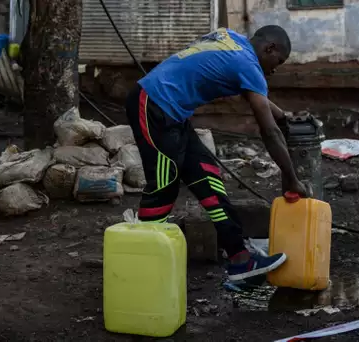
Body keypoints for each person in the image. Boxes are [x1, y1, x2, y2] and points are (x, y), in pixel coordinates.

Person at [124, 25, 307, 283]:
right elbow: (270, 132)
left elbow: (252, 93)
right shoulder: (248, 65)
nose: (275, 69)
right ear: (270, 48)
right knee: (164, 184)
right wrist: (290, 177)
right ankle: (139, 271)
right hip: (152, 103)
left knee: (208, 179)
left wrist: (283, 116)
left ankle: (240, 259)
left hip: (173, 113)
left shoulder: (231, 39)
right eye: (278, 61)